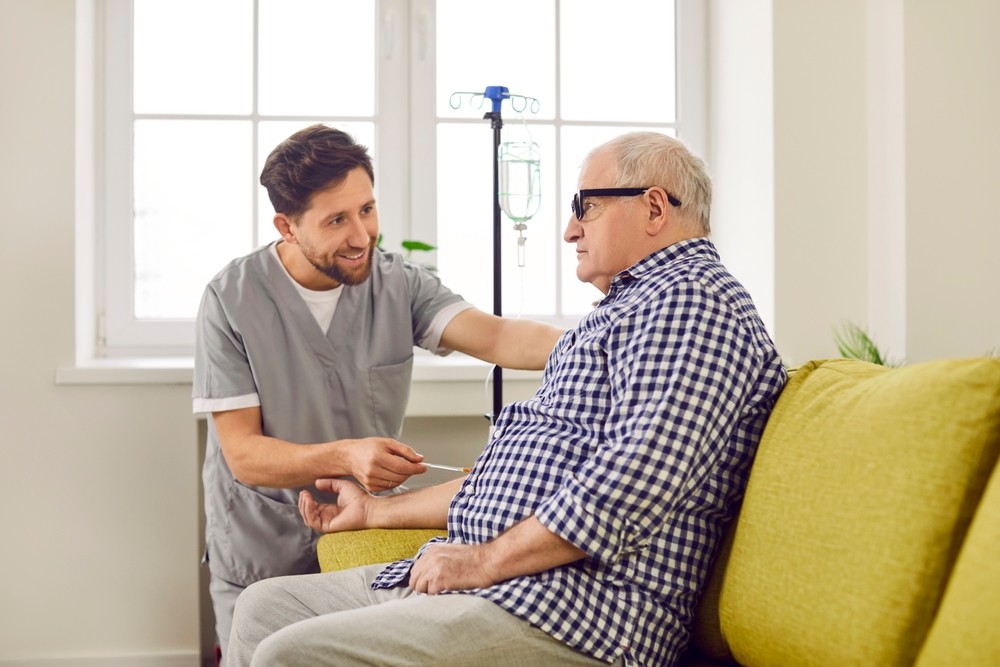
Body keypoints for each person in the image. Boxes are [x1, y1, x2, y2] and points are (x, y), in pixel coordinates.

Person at [226, 131, 788, 667]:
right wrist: (377, 511)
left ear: (655, 209)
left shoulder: (692, 303)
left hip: (576, 611)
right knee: (263, 609)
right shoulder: (624, 314)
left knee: (288, 656)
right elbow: (520, 477)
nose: (570, 229)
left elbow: (635, 479)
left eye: (585, 207)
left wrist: (481, 561)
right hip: (510, 587)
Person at [192, 123, 564, 661]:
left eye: (367, 209)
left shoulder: (399, 285)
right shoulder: (230, 300)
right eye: (337, 220)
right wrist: (347, 454)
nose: (362, 236)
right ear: (287, 226)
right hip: (260, 545)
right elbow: (244, 455)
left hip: (362, 545)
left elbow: (499, 336)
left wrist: (599, 341)